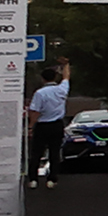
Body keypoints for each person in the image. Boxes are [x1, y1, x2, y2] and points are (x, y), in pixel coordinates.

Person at [25, 60, 71, 189]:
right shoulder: (62, 89)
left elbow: (35, 111)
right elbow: (66, 77)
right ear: (55, 77)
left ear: (42, 79)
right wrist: (66, 64)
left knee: (36, 153)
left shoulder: (40, 93)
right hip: (57, 124)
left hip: (42, 125)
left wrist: (30, 126)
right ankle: (52, 179)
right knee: (54, 153)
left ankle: (33, 179)